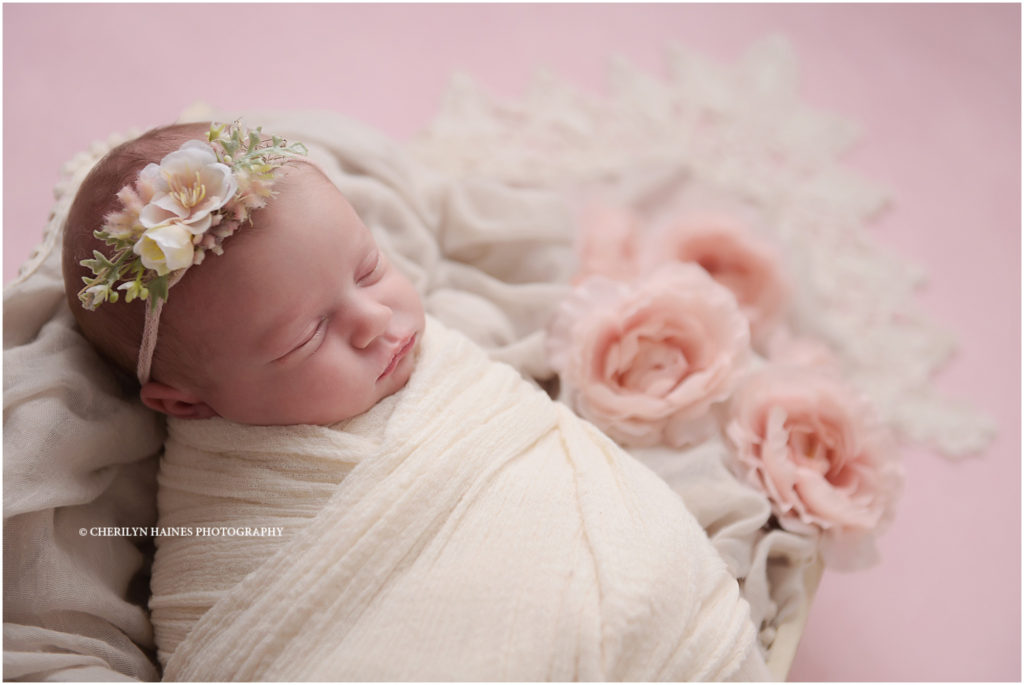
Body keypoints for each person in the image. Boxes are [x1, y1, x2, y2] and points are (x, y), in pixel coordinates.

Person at [62, 121, 769, 681]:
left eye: (369, 268)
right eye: (306, 337)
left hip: (644, 601)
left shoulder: (437, 367)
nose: (374, 320)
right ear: (185, 403)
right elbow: (236, 643)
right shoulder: (224, 506)